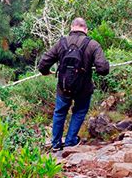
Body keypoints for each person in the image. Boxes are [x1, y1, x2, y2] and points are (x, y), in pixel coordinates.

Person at [38, 17, 110, 152]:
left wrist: (46, 72)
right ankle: (70, 141)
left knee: (60, 112)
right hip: (83, 88)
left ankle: (55, 144)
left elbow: (43, 64)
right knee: (79, 111)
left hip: (63, 87)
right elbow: (103, 69)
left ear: (71, 27)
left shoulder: (61, 43)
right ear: (86, 29)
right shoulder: (93, 45)